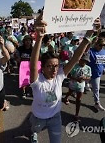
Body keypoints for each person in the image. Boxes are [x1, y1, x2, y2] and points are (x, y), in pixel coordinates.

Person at [29, 12, 95, 143]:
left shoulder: (59, 76)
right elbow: (32, 66)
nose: (54, 69)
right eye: (50, 66)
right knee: (34, 130)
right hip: (38, 118)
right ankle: (34, 134)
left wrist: (88, 36)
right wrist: (39, 38)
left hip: (55, 117)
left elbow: (75, 58)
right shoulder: (37, 81)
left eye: (56, 66)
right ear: (42, 67)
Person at [63, 53, 92, 121]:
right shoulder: (74, 66)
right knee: (70, 92)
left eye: (85, 61)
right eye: (82, 60)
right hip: (72, 84)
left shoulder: (88, 68)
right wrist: (76, 79)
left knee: (78, 99)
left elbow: (89, 77)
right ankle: (66, 97)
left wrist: (85, 78)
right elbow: (68, 75)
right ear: (79, 60)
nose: (83, 62)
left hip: (81, 86)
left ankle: (76, 114)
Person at [88, 32, 105, 111]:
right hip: (87, 74)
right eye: (100, 45)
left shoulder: (103, 52)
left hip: (97, 74)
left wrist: (104, 68)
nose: (102, 47)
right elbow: (84, 50)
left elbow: (103, 62)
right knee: (77, 87)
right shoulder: (91, 51)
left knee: (96, 89)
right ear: (96, 44)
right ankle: (71, 93)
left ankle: (97, 103)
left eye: (103, 45)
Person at [15, 35, 33, 99]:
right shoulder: (20, 48)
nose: (28, 42)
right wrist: (18, 59)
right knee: (23, 79)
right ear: (24, 41)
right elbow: (16, 55)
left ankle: (28, 90)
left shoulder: (33, 49)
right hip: (22, 67)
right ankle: (23, 92)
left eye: (29, 40)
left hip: (30, 67)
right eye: (26, 40)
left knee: (29, 80)